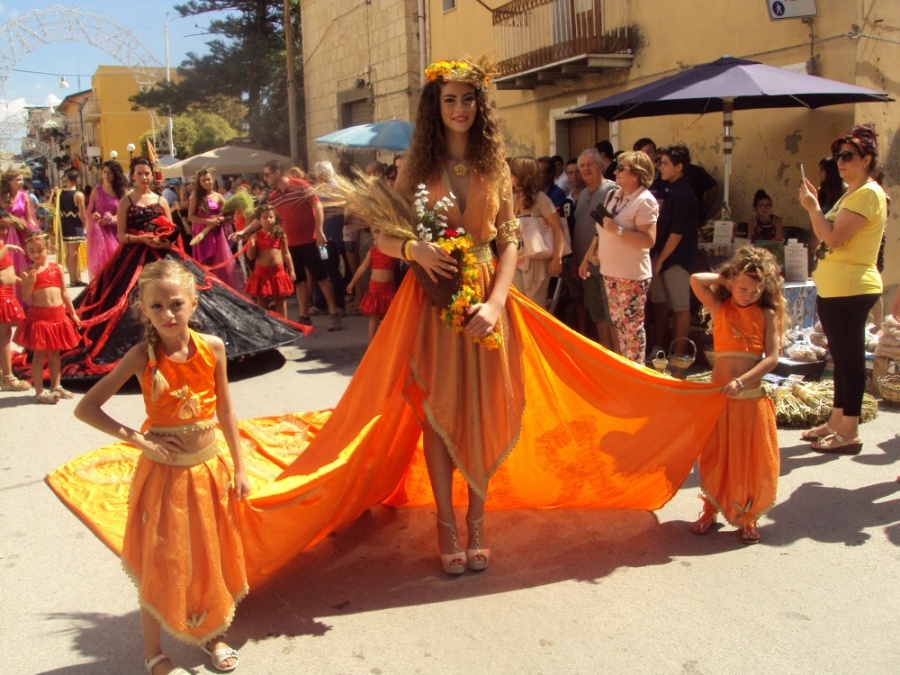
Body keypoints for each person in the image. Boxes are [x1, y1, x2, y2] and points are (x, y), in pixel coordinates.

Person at [48, 59, 730, 598]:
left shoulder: (495, 167)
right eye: (448, 98)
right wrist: (414, 252)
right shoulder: (419, 166)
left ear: (479, 106)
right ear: (436, 106)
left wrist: (495, 301)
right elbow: (383, 226)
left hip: (485, 310)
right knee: (436, 414)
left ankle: (478, 521)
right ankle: (446, 527)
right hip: (429, 310)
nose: (458, 107)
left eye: (468, 98)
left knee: (488, 410)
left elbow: (506, 244)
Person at [74, 259, 249, 675]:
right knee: (162, 561)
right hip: (163, 478)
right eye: (157, 307)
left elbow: (225, 409)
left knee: (208, 556)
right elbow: (87, 408)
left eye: (175, 304)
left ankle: (211, 633)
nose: (168, 315)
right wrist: (139, 437)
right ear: (143, 310)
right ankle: (154, 652)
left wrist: (239, 467)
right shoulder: (141, 356)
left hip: (208, 470)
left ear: (193, 302)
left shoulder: (214, 347)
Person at [31, 157, 306, 381]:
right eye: (139, 173)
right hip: (133, 257)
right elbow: (123, 235)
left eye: (147, 173)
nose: (144, 177)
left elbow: (173, 230)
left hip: (164, 254)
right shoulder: (127, 201)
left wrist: (165, 238)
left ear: (152, 175)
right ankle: (148, 353)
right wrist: (142, 238)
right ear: (133, 176)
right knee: (129, 305)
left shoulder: (161, 200)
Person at [798, 123, 887, 454]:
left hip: (851, 287)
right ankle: (837, 420)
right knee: (842, 357)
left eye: (848, 155)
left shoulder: (867, 193)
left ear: (866, 159)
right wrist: (815, 205)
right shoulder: (854, 193)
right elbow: (826, 234)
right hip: (837, 288)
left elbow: (833, 237)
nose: (840, 161)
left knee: (849, 360)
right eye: (838, 156)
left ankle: (849, 430)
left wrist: (813, 208)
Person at [688, 245, 782, 544]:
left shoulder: (766, 313)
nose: (748, 295)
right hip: (719, 397)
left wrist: (742, 382)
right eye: (742, 288)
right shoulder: (720, 307)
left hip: (749, 399)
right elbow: (695, 279)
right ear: (732, 283)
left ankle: (749, 515)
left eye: (756, 290)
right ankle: (710, 508)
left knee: (749, 458)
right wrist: (727, 278)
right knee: (715, 455)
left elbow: (772, 358)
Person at [234, 160, 342, 331]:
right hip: (291, 243)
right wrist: (244, 231)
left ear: (277, 173)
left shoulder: (301, 185)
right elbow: (261, 216)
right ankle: (304, 315)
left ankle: (334, 312)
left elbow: (318, 205)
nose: (265, 178)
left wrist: (319, 231)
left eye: (267, 174)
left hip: (309, 240)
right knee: (299, 280)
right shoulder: (273, 196)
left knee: (321, 277)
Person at [580, 150, 658, 363]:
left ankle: (636, 373)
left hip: (631, 274)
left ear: (637, 174)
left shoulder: (644, 201)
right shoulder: (613, 195)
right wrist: (587, 257)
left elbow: (648, 240)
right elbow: (601, 230)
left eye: (621, 168)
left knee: (631, 327)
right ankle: (626, 369)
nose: (616, 171)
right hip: (610, 271)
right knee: (618, 323)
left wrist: (619, 230)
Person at [16, 232, 81, 403]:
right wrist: (30, 281)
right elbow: (25, 296)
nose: (36, 254)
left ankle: (56, 385)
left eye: (39, 250)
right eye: (31, 251)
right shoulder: (27, 271)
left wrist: (72, 313)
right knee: (38, 355)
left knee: (55, 354)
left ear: (48, 249)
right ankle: (39, 391)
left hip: (58, 316)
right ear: (27, 252)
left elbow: (64, 293)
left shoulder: (57, 268)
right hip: (40, 318)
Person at [649, 143, 700, 355]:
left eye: (666, 164)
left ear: (679, 167)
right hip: (664, 256)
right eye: (660, 163)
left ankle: (679, 356)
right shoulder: (671, 191)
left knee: (680, 307)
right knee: (662, 304)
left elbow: (677, 234)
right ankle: (664, 349)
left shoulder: (684, 194)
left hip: (677, 259)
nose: (661, 167)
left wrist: (660, 260)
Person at [570, 148, 618, 347]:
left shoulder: (611, 191)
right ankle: (606, 354)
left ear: (601, 165)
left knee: (612, 314)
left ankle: (618, 357)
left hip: (607, 264)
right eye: (582, 166)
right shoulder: (581, 196)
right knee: (597, 312)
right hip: (586, 267)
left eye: (590, 164)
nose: (585, 169)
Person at [509, 156, 565, 305]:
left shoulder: (541, 199)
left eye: (513, 173)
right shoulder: (513, 199)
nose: (510, 176)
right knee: (519, 305)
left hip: (537, 261)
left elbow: (557, 229)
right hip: (517, 259)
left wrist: (557, 258)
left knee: (535, 305)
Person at [188, 169, 243, 290]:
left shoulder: (218, 196)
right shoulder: (196, 197)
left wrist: (220, 219)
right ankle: (207, 288)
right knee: (205, 264)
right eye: (203, 180)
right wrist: (208, 221)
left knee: (219, 264)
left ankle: (220, 289)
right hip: (202, 234)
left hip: (217, 233)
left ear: (213, 180)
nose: (206, 182)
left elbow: (229, 214)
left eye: (208, 179)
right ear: (199, 182)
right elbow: (191, 216)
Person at [346, 228, 397, 343]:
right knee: (374, 316)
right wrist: (352, 282)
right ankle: (371, 342)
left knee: (389, 316)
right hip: (375, 288)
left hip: (389, 288)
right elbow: (362, 268)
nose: (376, 240)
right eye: (374, 238)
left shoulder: (392, 251)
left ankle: (387, 341)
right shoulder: (372, 252)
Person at [244, 204, 295, 318]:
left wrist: (291, 270)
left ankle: (284, 323)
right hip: (262, 273)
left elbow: (286, 253)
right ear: (259, 220)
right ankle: (265, 324)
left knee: (280, 299)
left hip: (278, 272)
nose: (269, 220)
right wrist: (251, 247)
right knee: (262, 301)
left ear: (275, 218)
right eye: (265, 217)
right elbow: (251, 257)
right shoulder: (256, 236)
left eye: (271, 217)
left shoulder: (280, 234)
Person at [86, 160, 128, 279]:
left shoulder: (122, 191)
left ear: (115, 174)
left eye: (110, 172)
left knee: (118, 264)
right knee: (103, 267)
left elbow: (126, 211)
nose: (106, 175)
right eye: (104, 172)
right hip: (101, 233)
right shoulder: (97, 190)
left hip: (117, 232)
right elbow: (90, 209)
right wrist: (94, 215)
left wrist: (112, 219)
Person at [0, 211, 28, 392]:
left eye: (5, 227)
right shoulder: (3, 245)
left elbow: (8, 272)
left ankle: (6, 373)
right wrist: (6, 247)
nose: (3, 231)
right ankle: (7, 376)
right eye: (1, 227)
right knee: (3, 335)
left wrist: (24, 281)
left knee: (5, 334)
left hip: (7, 292)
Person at [1, 167, 39, 280]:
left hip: (22, 232)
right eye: (17, 180)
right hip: (5, 233)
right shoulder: (2, 196)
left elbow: (29, 218)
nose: (21, 182)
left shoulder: (24, 196)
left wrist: (35, 233)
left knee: (23, 263)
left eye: (22, 179)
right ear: (9, 181)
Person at [57, 169, 87, 286]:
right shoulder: (78, 195)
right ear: (77, 180)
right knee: (73, 251)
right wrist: (85, 225)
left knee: (69, 252)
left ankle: (73, 277)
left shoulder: (61, 193)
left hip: (65, 223)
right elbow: (82, 213)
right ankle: (74, 278)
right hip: (74, 225)